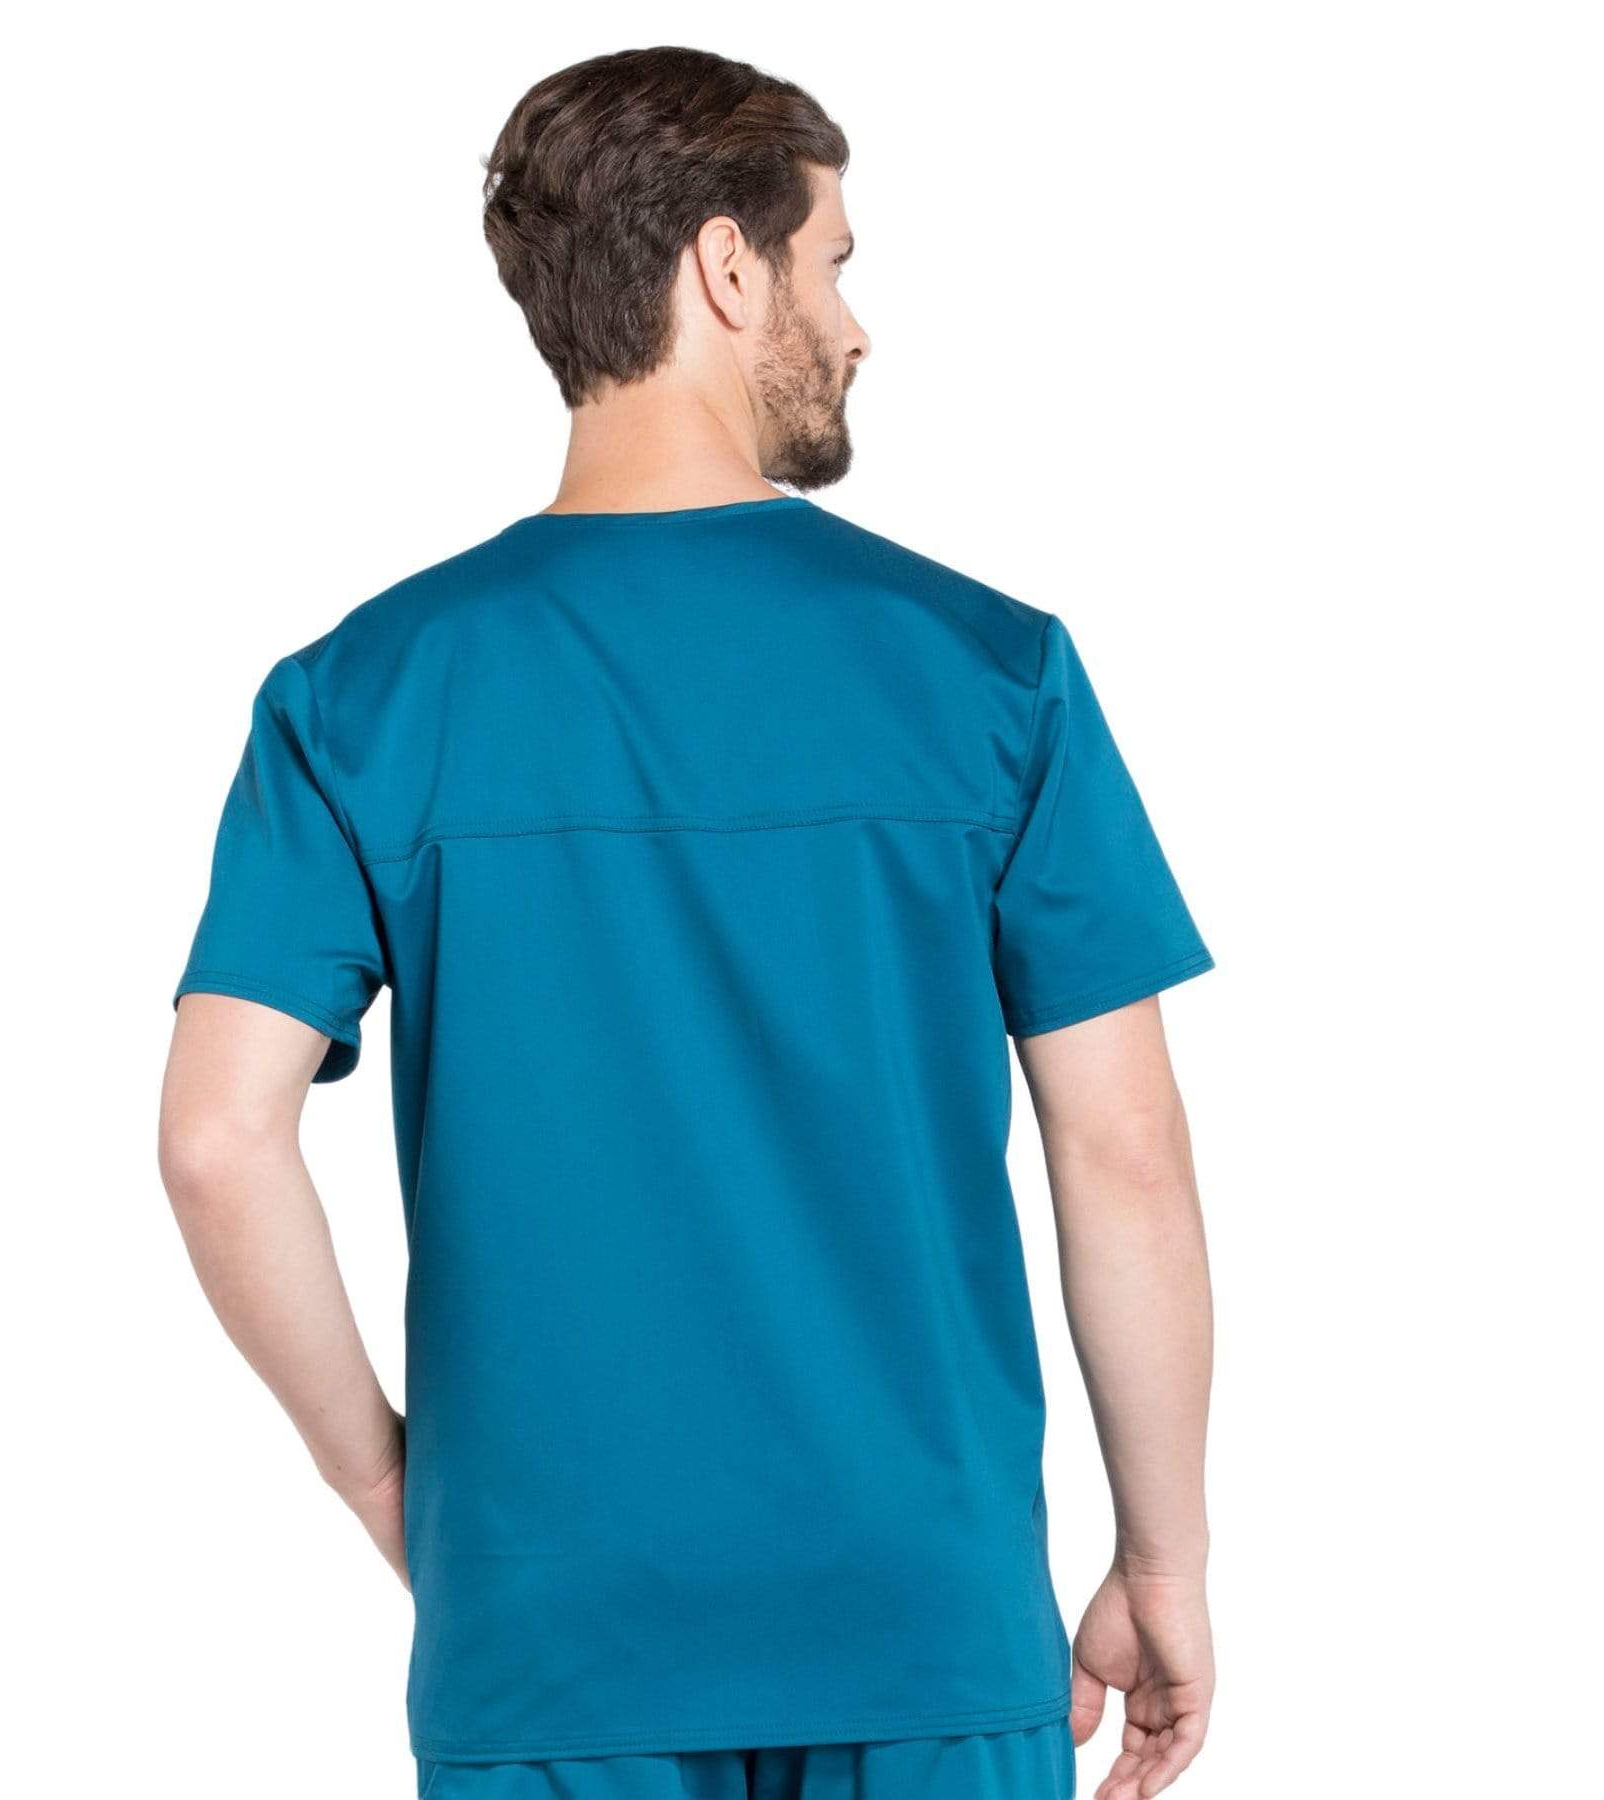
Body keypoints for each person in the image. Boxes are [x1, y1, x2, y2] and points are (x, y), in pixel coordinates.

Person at [159, 45, 1217, 1800]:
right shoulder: (991, 673)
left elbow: (215, 1141)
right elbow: (1126, 1154)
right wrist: (1163, 1559)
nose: (858, 327)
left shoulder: (359, 697)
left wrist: (381, 1481)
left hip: (549, 1641)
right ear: (728, 266)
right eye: (834, 263)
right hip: (926, 1623)